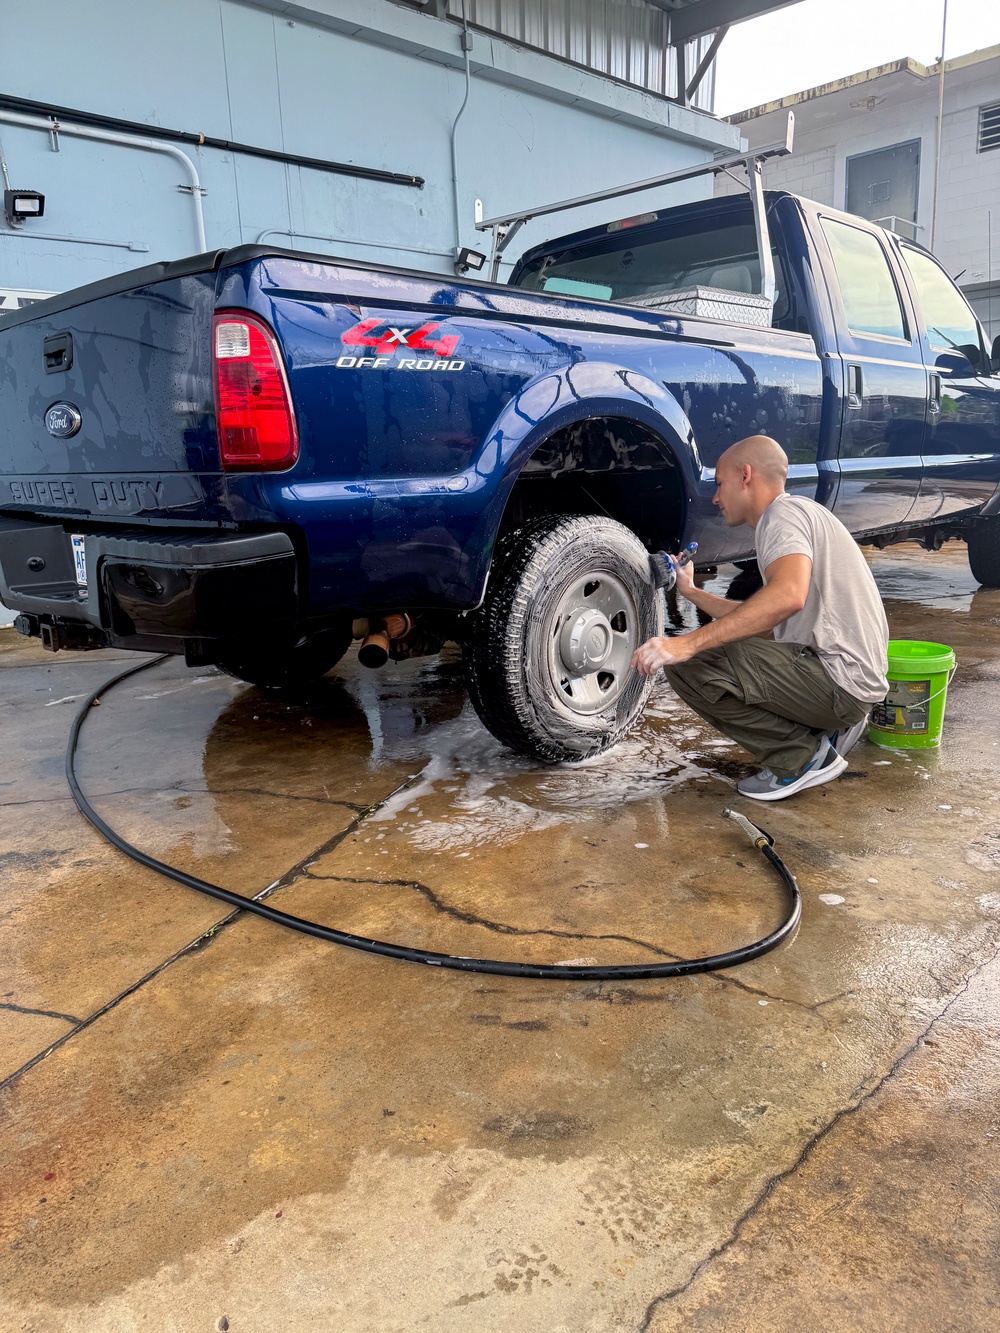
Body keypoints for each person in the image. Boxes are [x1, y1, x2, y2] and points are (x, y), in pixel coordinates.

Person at [631, 435, 889, 801]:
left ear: (745, 475)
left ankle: (798, 757)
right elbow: (763, 620)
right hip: (852, 679)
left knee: (691, 665)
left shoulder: (780, 517)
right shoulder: (800, 513)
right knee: (725, 643)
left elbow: (786, 597)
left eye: (720, 484)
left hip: (840, 684)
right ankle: (823, 732)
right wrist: (691, 593)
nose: (716, 498)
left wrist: (684, 645)